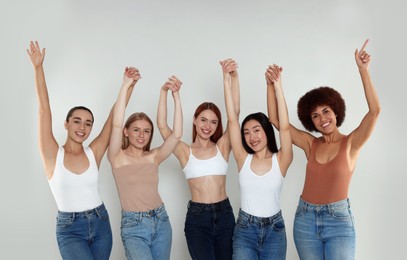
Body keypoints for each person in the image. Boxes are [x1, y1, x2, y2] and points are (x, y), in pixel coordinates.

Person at [267, 39, 381, 259]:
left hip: (338, 222)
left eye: (326, 111)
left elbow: (375, 111)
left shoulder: (351, 143)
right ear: (311, 121)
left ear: (336, 111)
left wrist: (363, 71)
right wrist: (271, 85)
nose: (323, 119)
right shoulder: (311, 144)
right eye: (315, 116)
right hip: (305, 220)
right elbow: (275, 119)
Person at [27, 41, 135, 259]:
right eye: (77, 121)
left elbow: (114, 118)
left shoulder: (92, 153)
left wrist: (128, 86)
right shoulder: (52, 155)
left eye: (88, 123)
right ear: (66, 124)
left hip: (100, 222)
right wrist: (38, 69)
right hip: (70, 230)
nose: (82, 128)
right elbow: (43, 110)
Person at [156, 64, 240, 260]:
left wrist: (232, 79)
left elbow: (234, 114)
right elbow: (162, 125)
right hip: (198, 218)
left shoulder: (222, 147)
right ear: (194, 120)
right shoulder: (185, 151)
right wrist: (167, 93)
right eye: (203, 120)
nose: (207, 126)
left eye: (213, 122)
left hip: (225, 214)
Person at [222, 59, 293, 259]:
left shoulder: (282, 159)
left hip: (275, 231)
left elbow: (285, 127)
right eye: (246, 133)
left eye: (256, 130)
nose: (252, 137)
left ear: (267, 132)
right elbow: (232, 119)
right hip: (245, 230)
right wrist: (227, 80)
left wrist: (277, 86)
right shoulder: (242, 157)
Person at [107, 72, 183, 260]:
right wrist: (125, 85)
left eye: (147, 131)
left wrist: (173, 95)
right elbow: (116, 124)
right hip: (134, 226)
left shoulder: (153, 157)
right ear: (126, 132)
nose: (141, 135)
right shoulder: (117, 157)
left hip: (161, 220)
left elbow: (177, 135)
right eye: (136, 130)